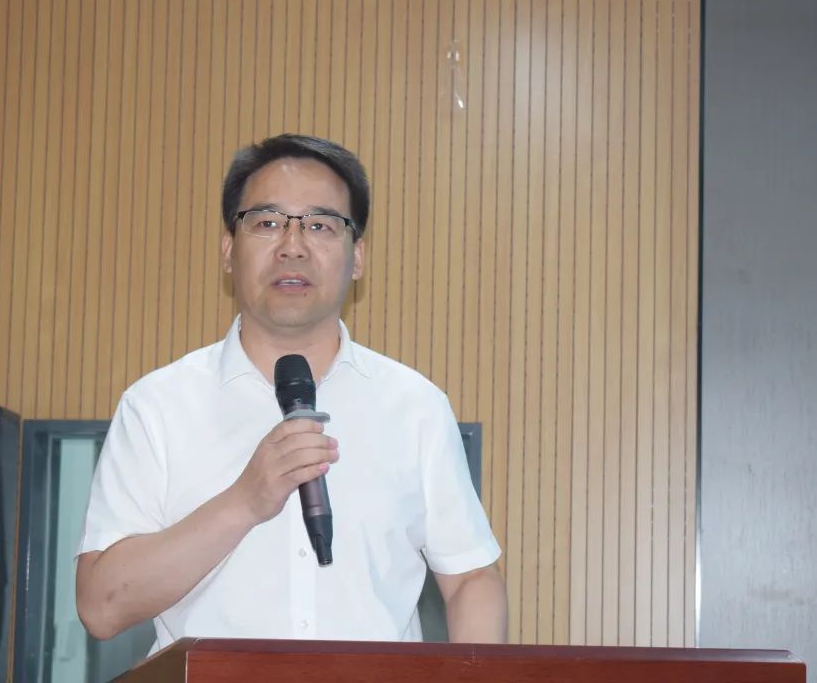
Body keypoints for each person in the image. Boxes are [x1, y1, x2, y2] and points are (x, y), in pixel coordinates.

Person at [75, 134, 507, 652]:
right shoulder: (157, 406)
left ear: (357, 258)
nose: (293, 246)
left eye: (321, 225)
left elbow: (471, 579)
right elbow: (101, 607)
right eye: (267, 222)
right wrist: (245, 500)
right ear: (229, 251)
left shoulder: (415, 406)